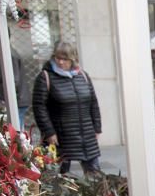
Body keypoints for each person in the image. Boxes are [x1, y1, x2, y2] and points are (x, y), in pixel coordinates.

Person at [32, 41, 102, 174]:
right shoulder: (45, 77)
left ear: (72, 59)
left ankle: (98, 194)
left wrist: (97, 127)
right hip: (60, 136)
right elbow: (39, 107)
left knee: (95, 174)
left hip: (86, 133)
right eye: (57, 58)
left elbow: (93, 103)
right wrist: (49, 132)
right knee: (60, 175)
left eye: (65, 59)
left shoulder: (83, 76)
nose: (60, 62)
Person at [0, 23, 30, 126]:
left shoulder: (9, 54)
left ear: (0, 34)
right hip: (16, 101)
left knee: (16, 133)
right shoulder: (6, 52)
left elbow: (13, 81)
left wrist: (5, 101)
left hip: (16, 102)